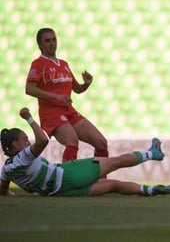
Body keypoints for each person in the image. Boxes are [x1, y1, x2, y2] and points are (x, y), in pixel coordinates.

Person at [0, 107, 170, 197]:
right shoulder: (23, 157)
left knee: (112, 186)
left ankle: (151, 190)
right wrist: (29, 118)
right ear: (15, 145)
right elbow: (42, 140)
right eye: (24, 139)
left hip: (60, 193)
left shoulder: (6, 169)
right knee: (115, 162)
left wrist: (7, 192)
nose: (28, 142)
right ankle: (152, 154)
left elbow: (2, 189)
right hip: (68, 174)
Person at [25, 27, 108, 162]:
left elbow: (77, 89)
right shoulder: (38, 64)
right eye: (47, 41)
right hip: (51, 113)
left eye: (54, 39)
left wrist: (86, 84)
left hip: (68, 111)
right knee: (72, 141)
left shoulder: (63, 64)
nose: (52, 43)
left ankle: (100, 180)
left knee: (101, 142)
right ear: (40, 45)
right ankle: (67, 180)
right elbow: (29, 89)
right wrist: (56, 96)